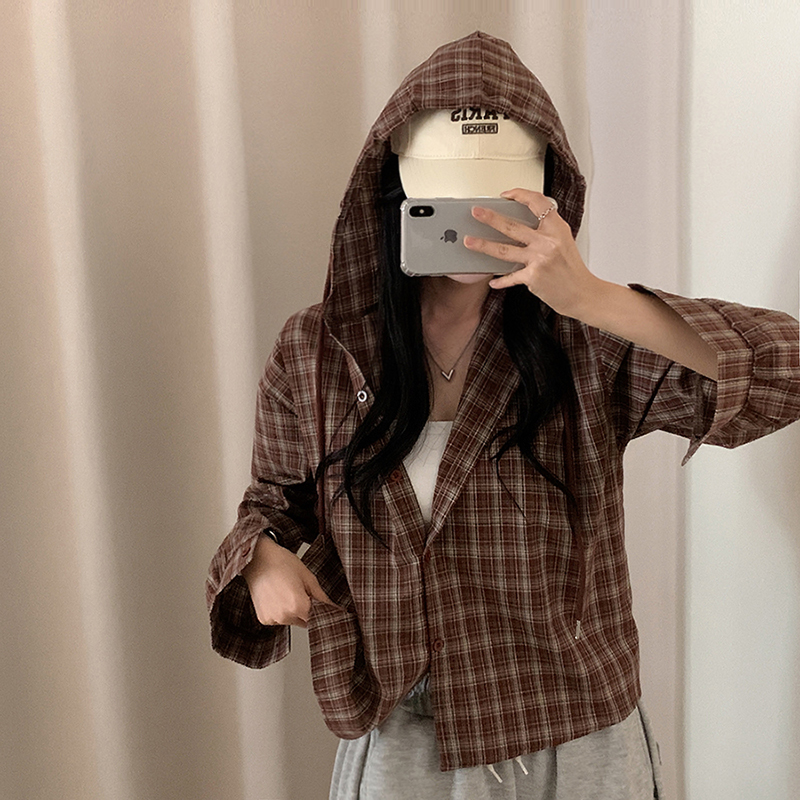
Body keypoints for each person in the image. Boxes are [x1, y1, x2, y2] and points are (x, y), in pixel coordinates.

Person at [206, 32, 800, 799]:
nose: (474, 220)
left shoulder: (587, 343)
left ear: (545, 195)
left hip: (574, 737)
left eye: (499, 198)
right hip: (402, 739)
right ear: (398, 190)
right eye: (449, 198)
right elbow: (272, 504)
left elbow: (786, 371)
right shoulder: (317, 350)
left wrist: (594, 297)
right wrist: (259, 559)